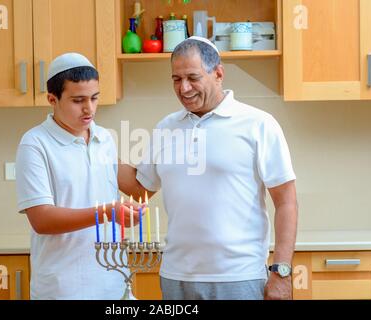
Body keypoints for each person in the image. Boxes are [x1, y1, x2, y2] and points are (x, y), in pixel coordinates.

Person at [118, 37, 298, 300]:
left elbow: (287, 202)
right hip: (175, 277)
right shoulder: (166, 127)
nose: (184, 88)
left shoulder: (258, 124)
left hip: (239, 277)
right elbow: (140, 188)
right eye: (176, 79)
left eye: (193, 77)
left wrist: (281, 272)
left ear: (218, 74)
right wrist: (97, 151)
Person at [15, 53, 140, 300]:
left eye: (94, 98)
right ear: (53, 99)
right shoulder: (35, 144)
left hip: (114, 283)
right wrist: (108, 212)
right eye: (78, 100)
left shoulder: (103, 137)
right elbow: (42, 219)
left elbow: (137, 185)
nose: (89, 109)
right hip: (64, 289)